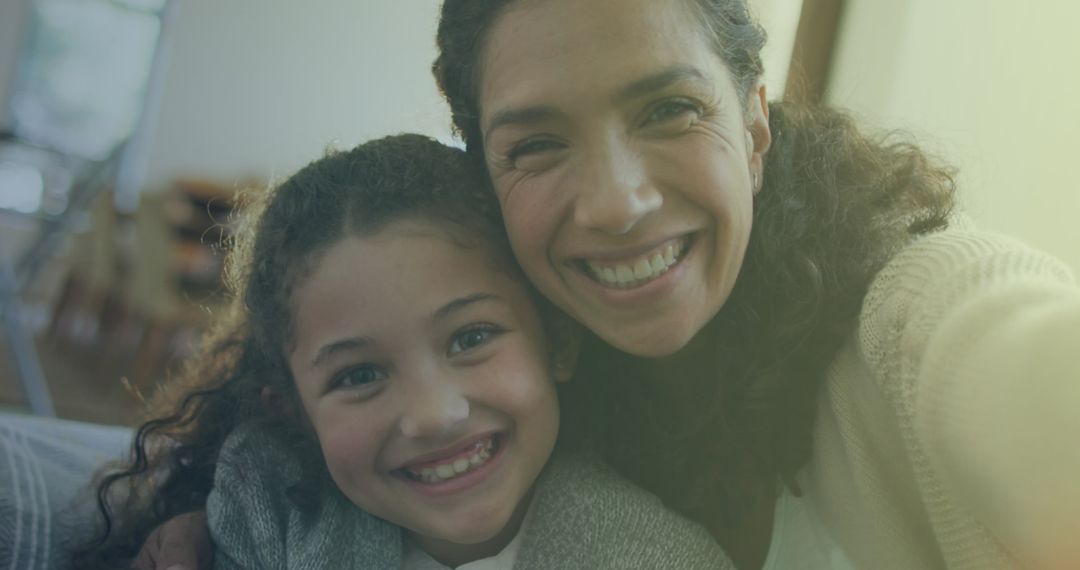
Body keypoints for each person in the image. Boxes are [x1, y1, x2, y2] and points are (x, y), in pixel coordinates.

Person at [134, 0, 1080, 568]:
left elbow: (1016, 353)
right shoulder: (539, 379)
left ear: (755, 126)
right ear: (487, 180)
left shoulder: (915, 315)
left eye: (669, 109)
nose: (618, 203)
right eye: (538, 144)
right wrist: (220, 523)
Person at [74, 134, 734, 569]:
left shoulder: (663, 557)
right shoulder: (266, 511)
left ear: (557, 341)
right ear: (293, 411)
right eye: (359, 374)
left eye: (471, 338)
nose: (434, 415)